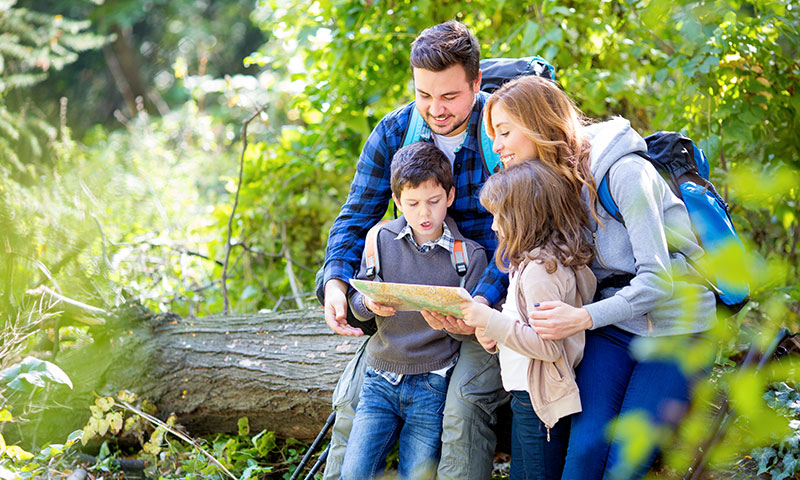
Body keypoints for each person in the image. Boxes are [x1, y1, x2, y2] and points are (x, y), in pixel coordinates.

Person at [483, 75, 717, 480]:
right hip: (616, 326)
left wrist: (583, 318)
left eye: (504, 132)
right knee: (583, 457)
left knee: (622, 464)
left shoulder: (625, 172)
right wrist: (498, 319)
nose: (497, 146)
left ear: (539, 125)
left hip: (679, 326)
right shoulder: (552, 183)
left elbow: (658, 280)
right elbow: (535, 262)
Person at [320, 20, 508, 480]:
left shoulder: (501, 132)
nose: (436, 109)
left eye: (449, 96)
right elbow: (355, 217)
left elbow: (522, 238)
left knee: (462, 408)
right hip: (412, 312)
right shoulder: (395, 131)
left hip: (488, 303)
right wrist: (336, 282)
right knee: (349, 400)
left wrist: (480, 303)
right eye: (425, 95)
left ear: (477, 82)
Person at [340, 142, 488, 479]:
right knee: (355, 472)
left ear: (449, 197)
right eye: (413, 204)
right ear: (397, 202)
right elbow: (358, 304)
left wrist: (454, 324)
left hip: (432, 383)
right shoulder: (379, 241)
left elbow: (472, 328)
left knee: (417, 474)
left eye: (434, 202)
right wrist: (368, 304)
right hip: (379, 379)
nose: (424, 214)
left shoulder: (469, 257)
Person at [460, 161, 597, 480]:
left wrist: (491, 321)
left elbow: (548, 348)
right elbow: (522, 323)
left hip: (539, 403)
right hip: (526, 396)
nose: (493, 226)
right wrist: (494, 333)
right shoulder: (529, 262)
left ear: (525, 216)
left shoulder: (540, 271)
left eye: (499, 217)